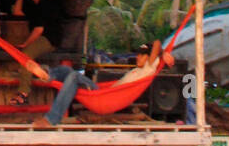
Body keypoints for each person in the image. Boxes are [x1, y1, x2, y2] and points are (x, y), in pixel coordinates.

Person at [32, 40, 173, 129]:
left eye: (142, 55)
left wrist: (163, 53)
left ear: (150, 58)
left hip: (103, 99)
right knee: (67, 70)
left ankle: (51, 119)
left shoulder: (149, 68)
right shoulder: (138, 69)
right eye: (138, 54)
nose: (137, 57)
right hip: (102, 93)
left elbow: (156, 43)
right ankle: (47, 75)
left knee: (74, 76)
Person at [10, 0, 62, 105]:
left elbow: (39, 30)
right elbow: (17, 12)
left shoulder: (45, 5)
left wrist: (26, 44)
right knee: (25, 57)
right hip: (43, 38)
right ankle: (28, 72)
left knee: (25, 56)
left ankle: (23, 93)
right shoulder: (36, 5)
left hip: (49, 39)